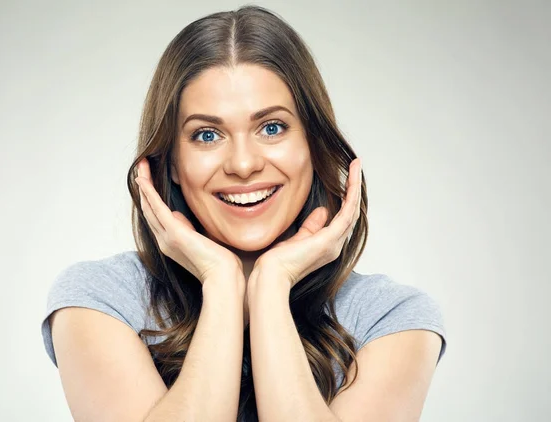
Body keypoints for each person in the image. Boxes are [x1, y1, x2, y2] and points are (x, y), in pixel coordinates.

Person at [41, 5, 447, 422]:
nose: (242, 163)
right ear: (173, 164)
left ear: (313, 143)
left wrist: (272, 286)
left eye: (271, 127)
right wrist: (221, 281)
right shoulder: (101, 300)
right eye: (207, 134)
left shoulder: (391, 317)